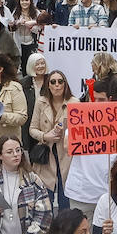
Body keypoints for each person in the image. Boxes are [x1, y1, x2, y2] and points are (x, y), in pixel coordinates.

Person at [29, 70, 76, 210]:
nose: (57, 85)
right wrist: (45, 136)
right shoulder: (41, 102)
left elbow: (81, 131)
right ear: (48, 85)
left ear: (65, 84)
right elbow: (32, 128)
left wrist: (66, 132)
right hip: (46, 155)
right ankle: (46, 230)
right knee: (45, 200)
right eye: (53, 82)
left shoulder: (74, 103)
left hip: (67, 156)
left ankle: (64, 230)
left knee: (65, 200)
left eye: (60, 81)